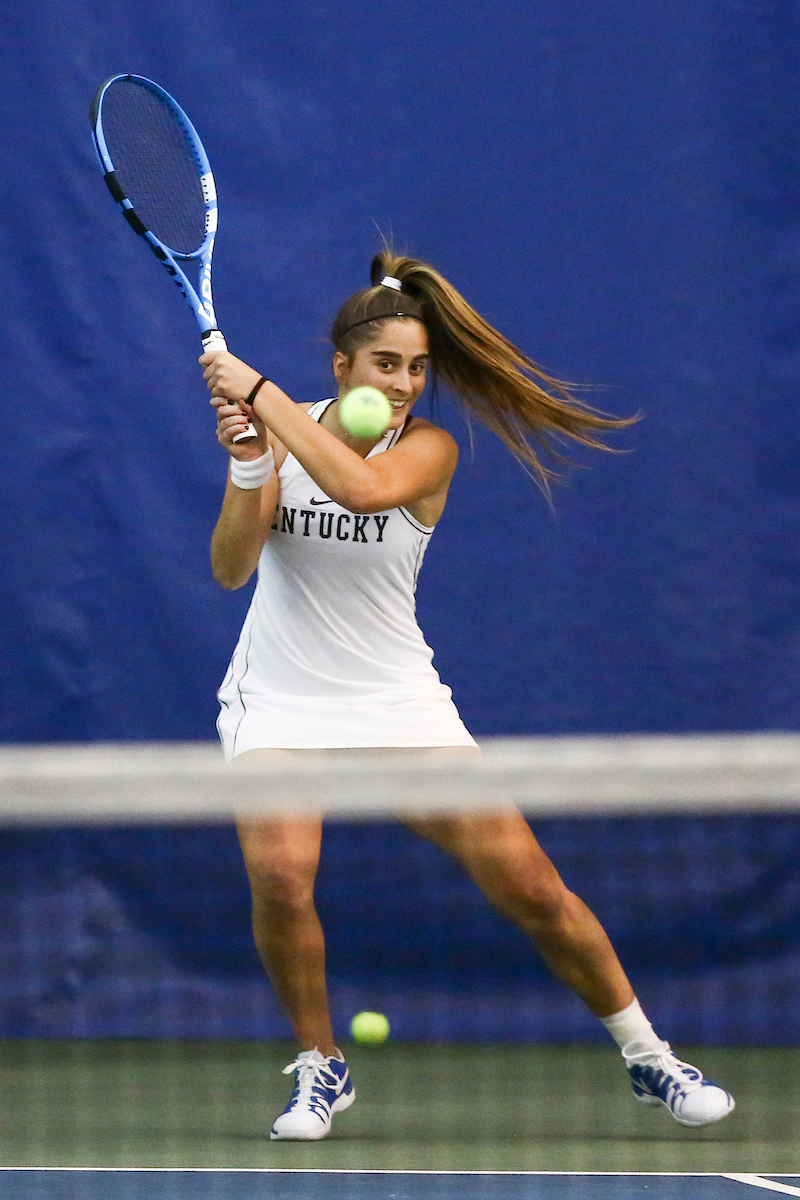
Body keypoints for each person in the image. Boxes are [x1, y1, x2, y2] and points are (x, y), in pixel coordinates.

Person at [200, 250, 735, 1141]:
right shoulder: (282, 440)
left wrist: (257, 394)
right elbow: (229, 570)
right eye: (386, 365)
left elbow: (359, 485)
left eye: (417, 368)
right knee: (282, 876)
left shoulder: (427, 450)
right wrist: (252, 467)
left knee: (533, 889)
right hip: (280, 699)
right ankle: (319, 1065)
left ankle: (649, 1055)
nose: (405, 384)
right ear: (343, 366)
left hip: (398, 702)